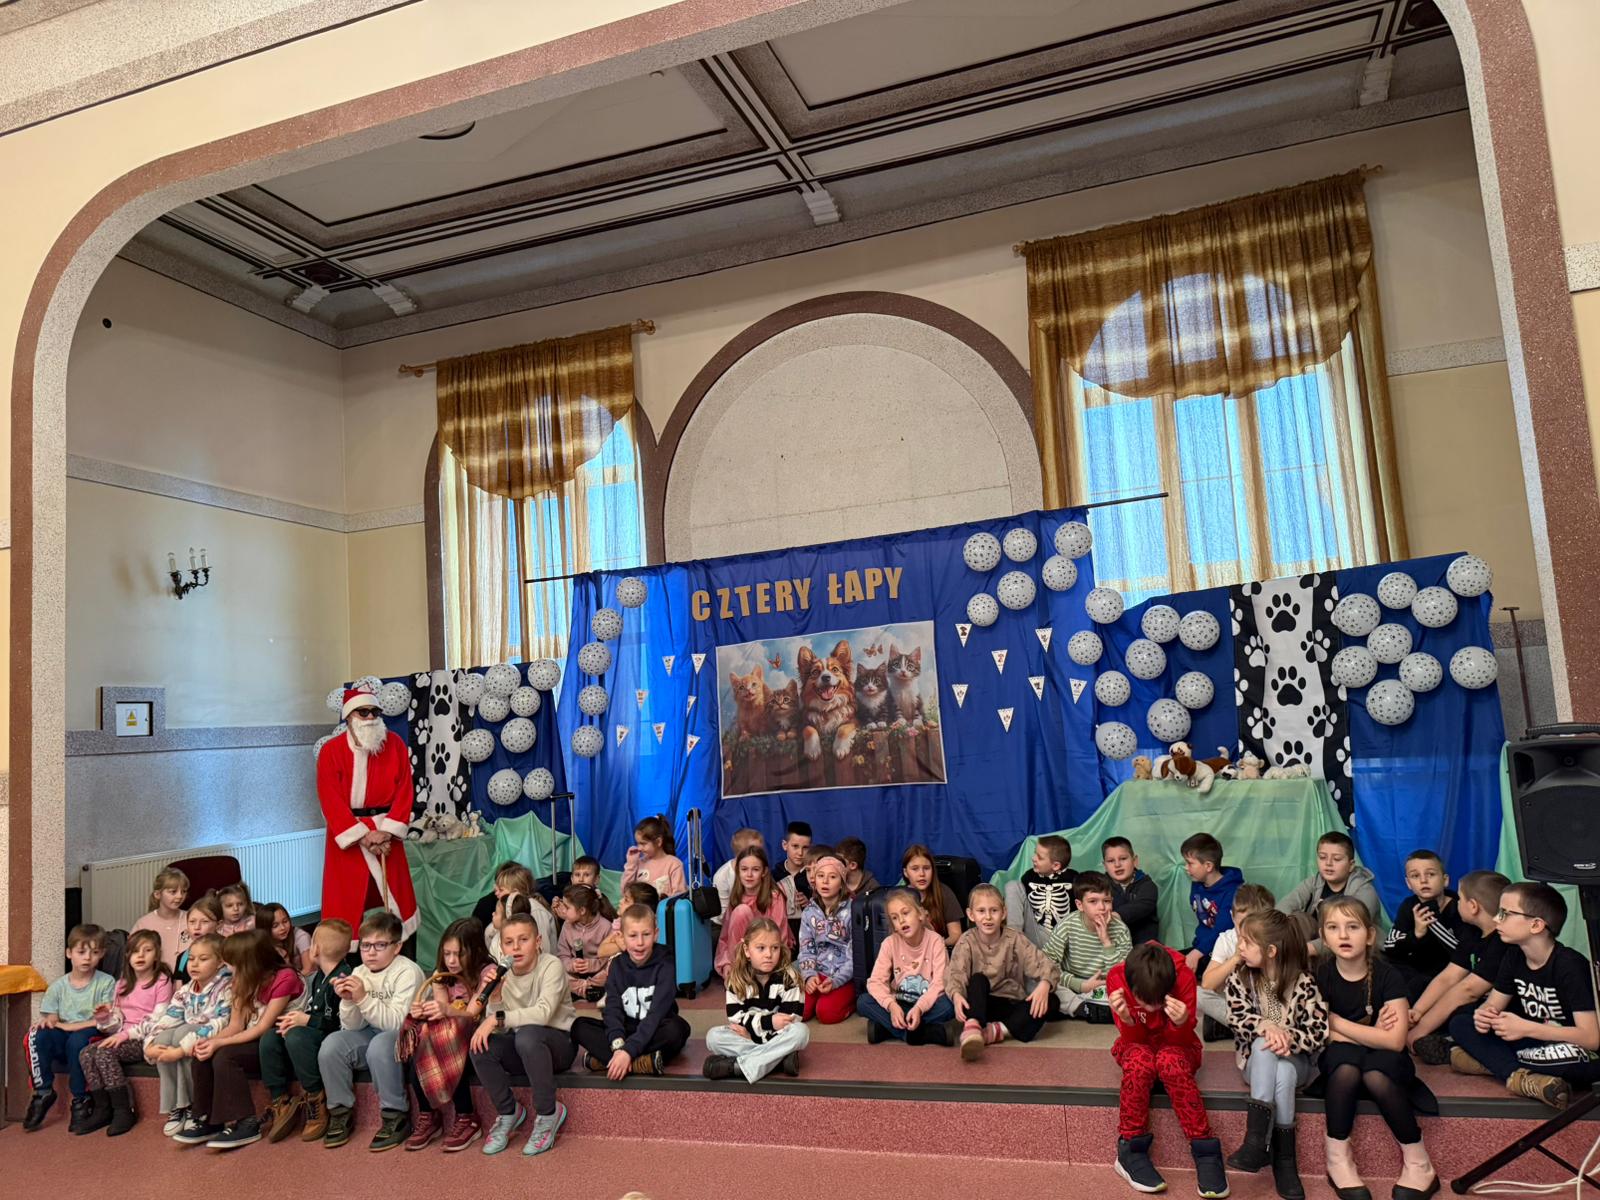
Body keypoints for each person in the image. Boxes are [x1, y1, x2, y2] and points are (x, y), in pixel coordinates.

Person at [1316, 897, 1438, 1200]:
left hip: (1385, 1063)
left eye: (1353, 927)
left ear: (1370, 935)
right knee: (1344, 1066)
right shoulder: (1320, 976)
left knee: (1376, 1073)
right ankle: (1338, 1160)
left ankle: (1419, 1163)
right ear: (1324, 937)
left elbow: (1394, 1041)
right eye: (1333, 927)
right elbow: (1319, 1033)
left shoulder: (1388, 975)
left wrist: (1337, 1022)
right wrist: (1373, 1033)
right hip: (1343, 1061)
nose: (1343, 935)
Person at [1449, 881, 1600, 1109]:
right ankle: (1518, 1077)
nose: (1496, 919)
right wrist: (1484, 1016)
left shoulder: (1570, 965)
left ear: (1536, 925)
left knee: (1578, 1065)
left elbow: (1591, 1038)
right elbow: (1492, 1006)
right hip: (1533, 1043)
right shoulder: (1514, 955)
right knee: (1461, 1022)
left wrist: (1526, 1028)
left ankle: (1490, 1063)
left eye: (1505, 914)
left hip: (1571, 1047)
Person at [1107, 942, 1229, 1198]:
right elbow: (1132, 1041)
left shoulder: (1183, 976)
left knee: (1169, 1061)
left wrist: (1181, 1022)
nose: (1152, 1009)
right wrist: (1127, 1019)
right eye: (1145, 1002)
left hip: (1177, 1046)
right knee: (1140, 1062)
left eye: (1158, 1002)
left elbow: (1182, 1042)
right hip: (1137, 1044)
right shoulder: (1117, 979)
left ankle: (1205, 1150)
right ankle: (1130, 1149)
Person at [1223, 910, 1328, 1199]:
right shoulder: (1240, 978)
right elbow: (1235, 1018)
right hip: (1257, 1063)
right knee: (1265, 1049)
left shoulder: (1304, 982)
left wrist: (1289, 1038)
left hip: (1298, 1061)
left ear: (1270, 951)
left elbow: (1319, 1030)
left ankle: (1257, 1144)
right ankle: (1283, 1160)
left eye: (1246, 941)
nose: (1240, 947)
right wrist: (1265, 1026)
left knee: (1284, 1064)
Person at [175, 928, 305, 1149]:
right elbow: (236, 1025)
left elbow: (263, 1027)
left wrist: (219, 1043)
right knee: (204, 1055)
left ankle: (247, 1123)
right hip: (251, 1038)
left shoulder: (285, 978)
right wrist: (210, 1042)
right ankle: (208, 1120)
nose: (227, 968)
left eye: (231, 963)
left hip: (276, 1043)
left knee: (225, 1057)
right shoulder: (240, 980)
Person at [316, 909, 426, 1152]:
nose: (371, 952)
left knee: (380, 1045)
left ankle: (395, 1115)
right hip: (371, 1032)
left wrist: (363, 998)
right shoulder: (359, 972)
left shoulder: (407, 972)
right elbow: (352, 1026)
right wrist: (348, 1001)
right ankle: (340, 1112)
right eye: (365, 946)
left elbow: (397, 1024)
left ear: (397, 947)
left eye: (380, 945)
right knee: (332, 1045)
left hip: (406, 1036)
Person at [315, 688, 421, 939]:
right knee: (346, 902)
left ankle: (402, 950)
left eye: (375, 712)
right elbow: (330, 800)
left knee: (399, 899)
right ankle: (344, 953)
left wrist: (387, 831)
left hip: (386, 833)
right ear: (349, 717)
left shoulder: (394, 744)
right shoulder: (331, 751)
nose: (371, 717)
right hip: (349, 838)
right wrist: (362, 835)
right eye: (363, 712)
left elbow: (405, 790)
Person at [470, 912, 575, 1156]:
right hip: (522, 1046)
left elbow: (543, 1013)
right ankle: (508, 1112)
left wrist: (496, 1018)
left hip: (557, 1045)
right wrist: (495, 998)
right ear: (501, 947)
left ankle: (548, 1113)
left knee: (528, 1036)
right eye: (509, 942)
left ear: (538, 941)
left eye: (523, 939)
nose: (515, 947)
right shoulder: (502, 973)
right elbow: (501, 1025)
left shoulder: (551, 965)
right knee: (481, 1044)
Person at [398, 917, 498, 1152]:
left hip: (481, 1035)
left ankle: (467, 1116)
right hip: (450, 1034)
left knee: (451, 1044)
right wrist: (425, 1011)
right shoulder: (441, 975)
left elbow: (472, 1013)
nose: (451, 960)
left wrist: (446, 1010)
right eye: (447, 953)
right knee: (422, 1037)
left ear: (475, 951)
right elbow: (442, 1013)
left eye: (459, 954)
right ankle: (427, 1114)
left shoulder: (488, 972)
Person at [257, 918, 353, 1145]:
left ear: (316, 949)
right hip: (314, 1028)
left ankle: (315, 1096)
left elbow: (340, 1023)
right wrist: (295, 1019)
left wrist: (305, 1020)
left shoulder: (343, 977)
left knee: (296, 1036)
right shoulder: (319, 975)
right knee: (270, 1036)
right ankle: (280, 1100)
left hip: (332, 1037)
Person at [571, 904, 691, 1077]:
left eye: (646, 934)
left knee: (677, 1029)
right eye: (633, 936)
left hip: (655, 1028)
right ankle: (641, 1063)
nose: (640, 943)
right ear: (621, 937)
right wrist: (619, 1045)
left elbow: (656, 1014)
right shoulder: (617, 965)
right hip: (625, 1030)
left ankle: (609, 1061)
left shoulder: (666, 963)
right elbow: (612, 1009)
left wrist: (629, 1051)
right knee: (579, 1026)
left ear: (656, 934)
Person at [76, 928, 175, 1136]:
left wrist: (124, 1036)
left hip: (146, 1039)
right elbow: (116, 1023)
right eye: (135, 951)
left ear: (157, 954)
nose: (140, 956)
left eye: (147, 950)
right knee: (86, 1053)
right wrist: (104, 1018)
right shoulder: (122, 984)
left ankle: (124, 1109)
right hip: (122, 1036)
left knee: (104, 1053)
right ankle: (102, 1107)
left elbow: (159, 1020)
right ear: (128, 955)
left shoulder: (162, 981)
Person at [1407, 870, 1511, 1063]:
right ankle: (1444, 1040)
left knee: (1462, 1019)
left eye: (1460, 899)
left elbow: (1468, 990)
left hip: (1499, 1007)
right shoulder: (1472, 932)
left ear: (1473, 906)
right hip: (1473, 1001)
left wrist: (1419, 1030)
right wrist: (1418, 1012)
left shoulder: (1502, 941)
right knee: (1418, 986)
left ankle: (1453, 1047)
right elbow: (1450, 976)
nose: (1457, 903)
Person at [947, 883, 1059, 1059]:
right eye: (981, 911)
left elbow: (1044, 964)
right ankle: (973, 1026)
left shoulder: (1014, 939)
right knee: (977, 979)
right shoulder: (966, 941)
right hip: (981, 1005)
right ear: (971, 914)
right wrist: (956, 995)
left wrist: (1045, 984)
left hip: (1009, 1003)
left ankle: (995, 1032)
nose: (988, 917)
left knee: (1052, 1001)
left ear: (1004, 912)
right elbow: (955, 973)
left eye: (994, 910)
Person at [22, 924, 115, 1133]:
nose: (87, 958)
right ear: (69, 953)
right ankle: (43, 1091)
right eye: (81, 952)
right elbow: (52, 1019)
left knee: (77, 1041)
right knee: (36, 1035)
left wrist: (69, 1026)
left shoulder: (106, 983)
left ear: (102, 954)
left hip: (90, 1035)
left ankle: (81, 1099)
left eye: (94, 952)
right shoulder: (58, 986)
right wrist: (47, 1024)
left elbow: (104, 1021)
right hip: (64, 1035)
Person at [141, 933, 232, 1136]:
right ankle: (176, 1106)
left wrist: (181, 1050)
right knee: (164, 1038)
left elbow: (220, 1023)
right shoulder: (186, 990)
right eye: (191, 959)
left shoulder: (227, 987)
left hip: (214, 1038)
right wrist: (149, 1045)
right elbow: (168, 1018)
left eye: (203, 959)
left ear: (220, 962)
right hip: (188, 1037)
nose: (194, 964)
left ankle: (192, 1105)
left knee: (182, 1033)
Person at [705, 917, 810, 1081]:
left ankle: (739, 1066)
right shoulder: (736, 979)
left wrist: (757, 1030)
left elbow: (790, 1020)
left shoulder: (790, 978)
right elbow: (736, 1019)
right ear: (747, 950)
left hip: (775, 1037)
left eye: (775, 948)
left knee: (801, 1032)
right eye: (761, 948)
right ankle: (777, 1060)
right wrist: (769, 1022)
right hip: (749, 1039)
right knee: (713, 1037)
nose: (769, 954)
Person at [860, 888, 955, 1046]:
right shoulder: (889, 943)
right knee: (863, 1002)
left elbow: (940, 982)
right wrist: (891, 1006)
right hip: (899, 1001)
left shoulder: (936, 941)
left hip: (928, 1004)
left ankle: (886, 1029)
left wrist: (919, 1008)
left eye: (905, 913)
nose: (901, 920)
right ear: (894, 926)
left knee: (950, 1005)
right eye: (895, 918)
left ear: (920, 915)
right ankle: (923, 1033)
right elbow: (875, 981)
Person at [1044, 870, 1132, 1022]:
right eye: (1093, 901)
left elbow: (1122, 972)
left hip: (1104, 986)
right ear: (1080, 905)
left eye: (1107, 901)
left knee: (1131, 990)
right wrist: (1080, 985)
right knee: (1046, 983)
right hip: (1072, 984)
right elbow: (1048, 963)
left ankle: (1086, 1008)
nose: (1102, 907)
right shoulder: (1067, 926)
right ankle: (1083, 1008)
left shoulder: (1120, 929)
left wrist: (1106, 942)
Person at [1383, 850, 1468, 1000]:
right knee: (1385, 966)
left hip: (1449, 974)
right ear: (1408, 883)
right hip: (1415, 971)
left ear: (1445, 880)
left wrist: (1433, 920)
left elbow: (1464, 954)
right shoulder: (1409, 906)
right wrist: (1417, 934)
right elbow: (1390, 947)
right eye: (1415, 876)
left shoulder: (1460, 907)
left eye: (1431, 874)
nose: (1423, 881)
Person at [1199, 883, 1277, 1040]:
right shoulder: (1226, 940)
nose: (1246, 931)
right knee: (1199, 995)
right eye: (1241, 925)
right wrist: (1236, 957)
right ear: (1232, 917)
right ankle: (1250, 1027)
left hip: (1269, 1006)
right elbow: (1207, 984)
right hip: (1238, 1007)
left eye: (1254, 926)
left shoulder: (1274, 940)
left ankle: (1244, 1029)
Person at [1279, 832, 1382, 937]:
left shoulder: (1365, 891)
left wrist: (1311, 946)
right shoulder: (1313, 883)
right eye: (1322, 857)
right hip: (1318, 942)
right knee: (1296, 918)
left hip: (1351, 943)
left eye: (1336, 859)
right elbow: (1284, 906)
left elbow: (1350, 932)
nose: (1328, 863)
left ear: (1351, 865)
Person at [795, 853, 856, 1024]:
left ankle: (854, 1001)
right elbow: (806, 949)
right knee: (800, 1011)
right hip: (818, 972)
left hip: (844, 976)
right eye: (821, 876)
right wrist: (809, 976)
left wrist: (836, 981)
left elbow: (855, 956)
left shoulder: (852, 911)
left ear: (842, 883)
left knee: (826, 1014)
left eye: (832, 877)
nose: (825, 881)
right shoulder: (809, 912)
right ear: (814, 880)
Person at [715, 846, 792, 977]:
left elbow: (780, 936)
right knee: (741, 911)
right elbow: (725, 938)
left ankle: (755, 974)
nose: (749, 875)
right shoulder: (737, 897)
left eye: (755, 869)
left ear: (764, 872)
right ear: (738, 871)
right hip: (742, 958)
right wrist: (727, 963)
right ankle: (738, 972)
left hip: (767, 955)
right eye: (744, 869)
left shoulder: (774, 896)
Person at [1182, 832, 1243, 975]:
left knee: (1176, 971)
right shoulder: (1197, 884)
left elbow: (1222, 929)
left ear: (1208, 866)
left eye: (1190, 863)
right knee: (1165, 961)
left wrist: (1197, 953)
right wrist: (1197, 950)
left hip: (1222, 954)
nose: (1186, 867)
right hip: (1201, 948)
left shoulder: (1233, 892)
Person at [1006, 835, 1077, 949]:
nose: (1033, 858)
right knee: (1012, 886)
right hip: (1036, 934)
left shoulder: (1074, 879)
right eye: (1035, 853)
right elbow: (1020, 906)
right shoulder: (1029, 877)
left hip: (1065, 940)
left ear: (1056, 865)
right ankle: (1013, 942)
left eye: (1039, 857)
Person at [558, 885, 615, 999]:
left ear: (582, 911)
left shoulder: (606, 926)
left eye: (567, 907)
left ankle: (583, 989)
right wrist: (572, 965)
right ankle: (586, 990)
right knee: (556, 971)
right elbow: (562, 954)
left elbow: (608, 957)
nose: (563, 911)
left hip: (597, 973)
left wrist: (591, 965)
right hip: (574, 974)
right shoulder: (567, 925)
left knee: (611, 970)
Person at [903, 844, 963, 949]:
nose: (922, 874)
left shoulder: (944, 892)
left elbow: (956, 935)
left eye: (926, 868)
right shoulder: (900, 898)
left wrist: (938, 946)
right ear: (906, 872)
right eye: (915, 869)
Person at [1103, 837, 1160, 946]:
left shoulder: (1147, 885)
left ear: (1134, 861)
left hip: (1144, 948)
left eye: (1123, 859)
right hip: (1114, 945)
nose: (1117, 865)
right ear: (1105, 865)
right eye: (1111, 861)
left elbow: (1142, 905)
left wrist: (1115, 916)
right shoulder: (1099, 887)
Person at [132, 867, 191, 970]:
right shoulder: (143, 924)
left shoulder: (192, 919)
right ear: (158, 894)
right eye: (173, 892)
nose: (180, 896)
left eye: (183, 891)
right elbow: (132, 956)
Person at [622, 815, 688, 897]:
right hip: (640, 906)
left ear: (658, 842)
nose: (639, 848)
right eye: (637, 843)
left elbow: (680, 897)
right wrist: (631, 864)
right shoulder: (638, 863)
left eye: (643, 843)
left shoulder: (674, 864)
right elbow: (625, 893)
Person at [595, 882, 660, 963]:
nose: (620, 901)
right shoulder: (620, 923)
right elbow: (601, 951)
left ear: (638, 908)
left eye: (626, 900)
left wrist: (624, 943)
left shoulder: (649, 928)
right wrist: (619, 944)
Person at [712, 828, 765, 926]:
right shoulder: (722, 876)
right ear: (742, 853)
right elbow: (722, 916)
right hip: (724, 926)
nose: (761, 855)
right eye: (756, 851)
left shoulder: (761, 869)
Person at [773, 820, 814, 939]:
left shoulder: (816, 875)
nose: (800, 853)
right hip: (779, 933)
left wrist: (809, 903)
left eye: (805, 848)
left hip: (808, 933)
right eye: (795, 846)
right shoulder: (774, 875)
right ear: (785, 845)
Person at [175, 895, 221, 982]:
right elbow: (179, 987)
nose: (197, 927)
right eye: (192, 922)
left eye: (204, 921)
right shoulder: (183, 958)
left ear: (219, 925)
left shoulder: (230, 953)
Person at [263, 903, 312, 974]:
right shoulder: (262, 943)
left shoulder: (301, 937)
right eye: (275, 926)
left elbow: (309, 970)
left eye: (285, 921)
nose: (282, 928)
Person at [569, 856, 617, 921]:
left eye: (586, 875)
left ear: (596, 879)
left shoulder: (599, 899)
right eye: (577, 875)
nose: (581, 879)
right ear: (572, 879)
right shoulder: (567, 897)